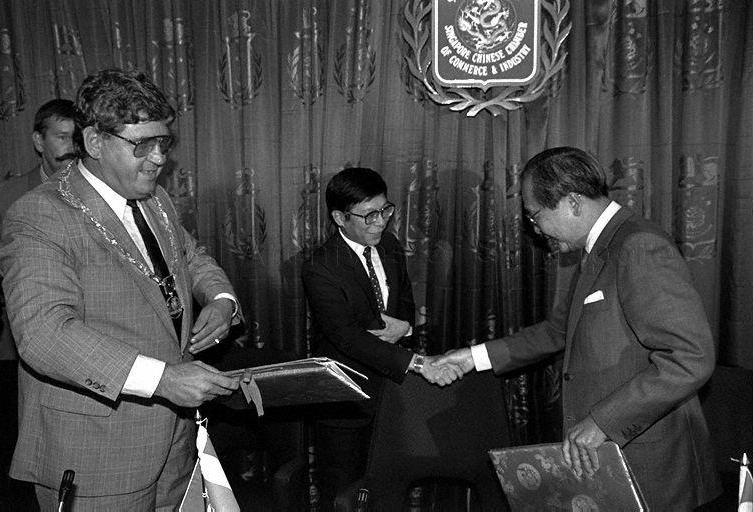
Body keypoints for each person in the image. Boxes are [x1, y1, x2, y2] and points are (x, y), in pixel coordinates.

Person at [0, 68, 242, 511]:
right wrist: (163, 378)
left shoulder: (154, 198)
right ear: (94, 142)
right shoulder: (39, 215)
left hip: (175, 441)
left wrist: (222, 301)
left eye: (163, 142)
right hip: (97, 453)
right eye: (141, 145)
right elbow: (43, 333)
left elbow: (191, 256)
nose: (158, 159)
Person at [435, 147, 721, 511]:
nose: (536, 231)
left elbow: (689, 358)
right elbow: (558, 331)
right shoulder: (596, 248)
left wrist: (603, 422)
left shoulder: (638, 246)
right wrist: (471, 358)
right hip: (616, 464)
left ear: (572, 202)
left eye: (536, 217)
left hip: (654, 470)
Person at [302, 167, 461, 506]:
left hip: (391, 395)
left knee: (387, 492)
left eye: (385, 210)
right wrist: (416, 363)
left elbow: (404, 303)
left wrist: (405, 327)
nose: (381, 222)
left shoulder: (388, 245)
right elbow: (347, 338)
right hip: (345, 401)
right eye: (368, 215)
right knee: (343, 497)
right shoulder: (321, 265)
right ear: (339, 218)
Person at [0, 98, 77, 359]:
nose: (71, 147)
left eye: (77, 138)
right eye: (62, 137)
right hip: (21, 339)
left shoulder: (102, 194)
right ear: (39, 141)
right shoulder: (0, 197)